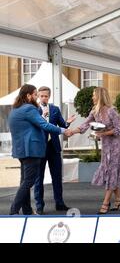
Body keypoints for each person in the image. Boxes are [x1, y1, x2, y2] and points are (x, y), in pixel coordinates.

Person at [8, 84, 71, 215]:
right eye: (36, 94)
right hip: (32, 150)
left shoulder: (15, 109)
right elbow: (44, 125)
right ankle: (13, 211)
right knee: (30, 181)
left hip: (22, 150)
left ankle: (26, 210)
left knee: (25, 181)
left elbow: (30, 126)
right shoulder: (29, 109)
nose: (37, 98)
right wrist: (64, 130)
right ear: (28, 96)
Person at [70, 87, 120, 214]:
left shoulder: (112, 111)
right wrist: (72, 131)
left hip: (115, 146)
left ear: (100, 96)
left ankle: (105, 203)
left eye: (94, 95)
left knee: (111, 172)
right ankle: (118, 199)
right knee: (110, 172)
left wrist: (102, 133)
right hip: (106, 145)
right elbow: (85, 124)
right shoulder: (95, 111)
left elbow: (118, 130)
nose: (92, 97)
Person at [34, 86, 76, 215]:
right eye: (42, 96)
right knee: (38, 178)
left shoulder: (55, 109)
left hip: (54, 146)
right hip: (39, 147)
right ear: (38, 96)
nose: (44, 98)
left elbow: (62, 125)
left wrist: (68, 123)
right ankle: (39, 205)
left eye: (46, 96)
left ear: (49, 96)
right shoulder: (34, 110)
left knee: (57, 176)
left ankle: (59, 203)